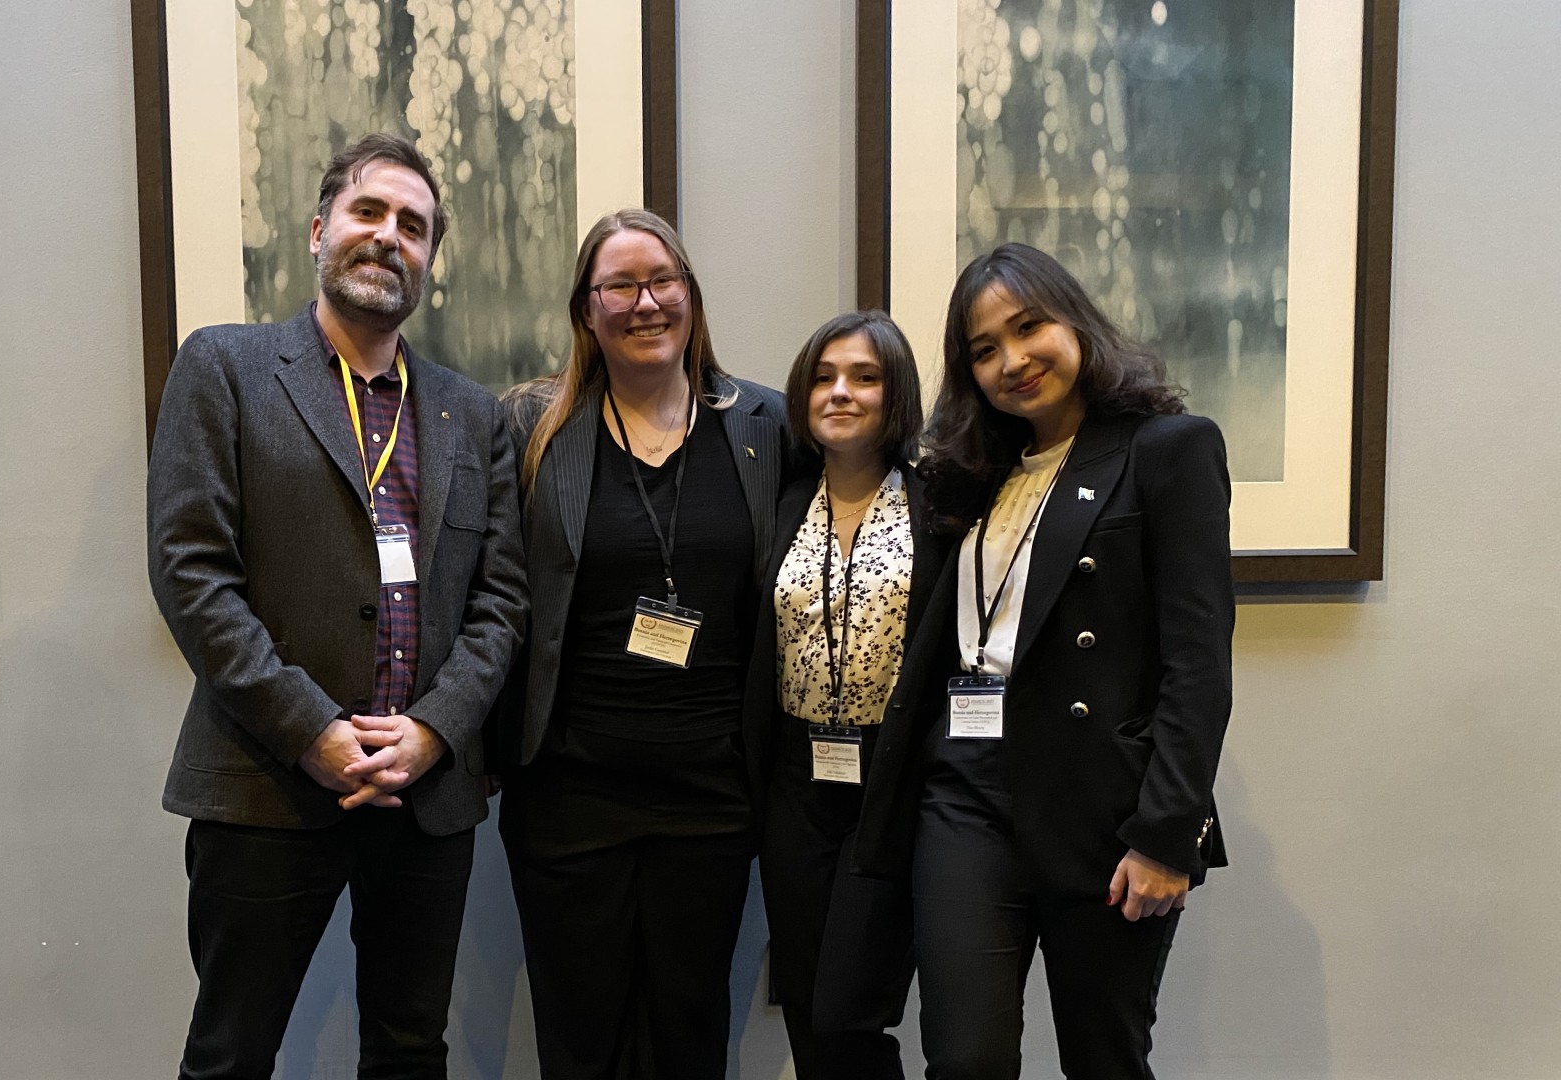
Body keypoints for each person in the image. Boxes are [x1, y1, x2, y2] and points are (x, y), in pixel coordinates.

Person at [146, 132, 527, 1080]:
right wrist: (311, 729)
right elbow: (191, 572)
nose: (388, 237)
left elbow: (501, 601)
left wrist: (434, 731)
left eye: (414, 226)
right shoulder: (225, 369)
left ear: (429, 262)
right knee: (231, 1052)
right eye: (369, 213)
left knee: (408, 1052)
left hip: (425, 792)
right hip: (267, 780)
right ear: (320, 230)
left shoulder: (471, 414)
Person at [856, 242, 1234, 1080]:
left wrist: (1167, 838)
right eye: (983, 350)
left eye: (1027, 329)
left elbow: (1199, 665)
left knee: (1105, 1059)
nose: (1011, 362)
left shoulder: (1167, 450)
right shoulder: (971, 477)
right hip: (965, 796)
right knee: (965, 1057)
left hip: (1103, 809)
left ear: (1076, 323)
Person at [494, 208, 792, 1080]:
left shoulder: (764, 427)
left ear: (691, 298)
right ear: (587, 310)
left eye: (663, 281)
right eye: (619, 286)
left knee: (691, 1032)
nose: (645, 302)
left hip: (710, 794)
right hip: (567, 791)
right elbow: (495, 595)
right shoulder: (532, 427)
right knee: (579, 1037)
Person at [748, 310, 931, 1079]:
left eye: (864, 377)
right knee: (805, 1000)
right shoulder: (782, 503)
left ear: (897, 395)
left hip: (895, 781)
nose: (840, 393)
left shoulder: (939, 509)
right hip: (796, 780)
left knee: (853, 1008)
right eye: (823, 377)